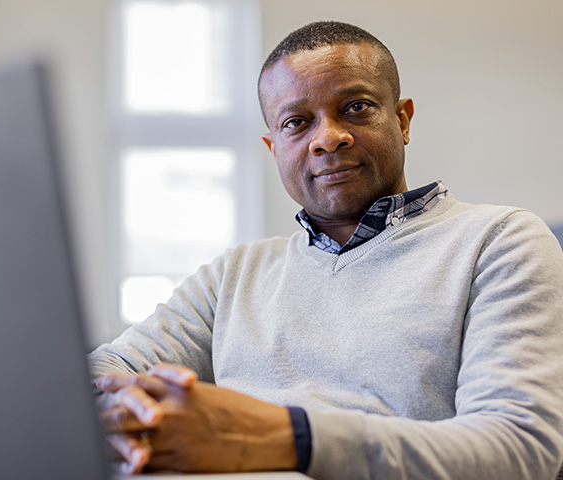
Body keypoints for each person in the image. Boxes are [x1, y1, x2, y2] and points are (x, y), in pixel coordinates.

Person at [90, 21, 563, 479]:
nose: (327, 137)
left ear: (402, 120)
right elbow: (100, 372)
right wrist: (120, 408)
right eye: (297, 122)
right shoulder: (236, 273)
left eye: (355, 107)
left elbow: (522, 448)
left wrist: (288, 437)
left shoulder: (499, 240)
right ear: (273, 147)